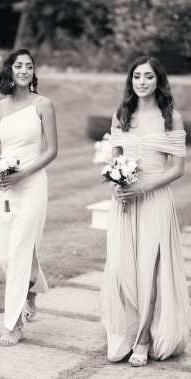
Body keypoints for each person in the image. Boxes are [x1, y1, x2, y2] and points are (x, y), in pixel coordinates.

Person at [100, 56, 188, 366]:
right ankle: (126, 332)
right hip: (124, 203)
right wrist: (118, 185)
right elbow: (114, 162)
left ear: (158, 80)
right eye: (137, 76)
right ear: (131, 80)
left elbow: (178, 168)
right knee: (120, 269)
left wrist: (143, 187)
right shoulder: (121, 115)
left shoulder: (171, 117)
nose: (142, 81)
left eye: (148, 76)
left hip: (153, 199)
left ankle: (145, 340)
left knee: (149, 269)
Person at [0, 49, 58, 346]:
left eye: (29, 66)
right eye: (19, 65)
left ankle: (13, 325)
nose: (25, 70)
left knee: (19, 250)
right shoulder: (1, 107)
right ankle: (30, 291)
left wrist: (23, 173)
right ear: (10, 70)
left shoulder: (43, 105)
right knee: (6, 253)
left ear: (33, 72)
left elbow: (52, 150)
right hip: (3, 188)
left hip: (31, 185)